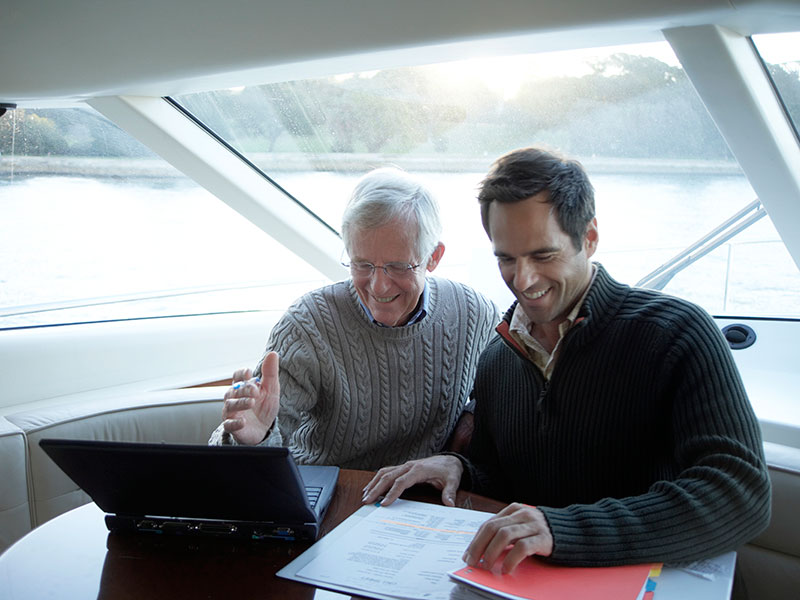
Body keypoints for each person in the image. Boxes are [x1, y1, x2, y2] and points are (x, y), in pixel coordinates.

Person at [363, 147, 771, 572]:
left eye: (543, 255)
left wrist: (561, 530)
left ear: (589, 237)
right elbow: (502, 477)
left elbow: (740, 494)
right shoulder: (497, 360)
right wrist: (458, 468)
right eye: (506, 258)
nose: (523, 280)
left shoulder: (677, 334)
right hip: (525, 581)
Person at [209, 167, 499, 470]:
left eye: (398, 266)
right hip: (328, 489)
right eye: (362, 264)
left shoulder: (474, 314)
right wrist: (251, 441)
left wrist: (473, 413)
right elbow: (237, 457)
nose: (378, 286)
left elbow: (509, 396)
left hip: (424, 493)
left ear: (433, 257)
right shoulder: (308, 325)